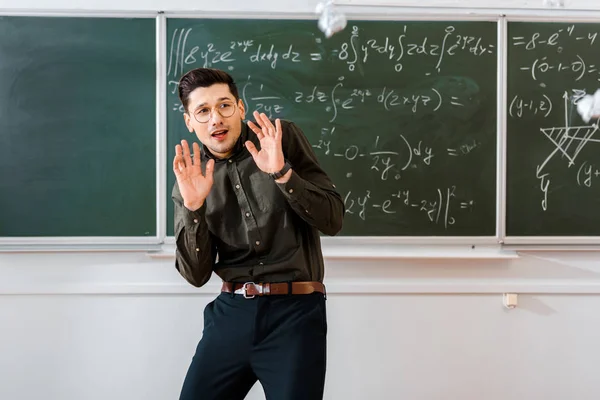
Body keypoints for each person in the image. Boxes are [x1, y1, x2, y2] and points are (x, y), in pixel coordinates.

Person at [171, 67, 345, 400]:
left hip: (295, 315)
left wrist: (282, 173)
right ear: (190, 122)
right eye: (203, 111)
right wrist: (194, 208)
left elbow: (332, 220)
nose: (216, 119)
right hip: (231, 315)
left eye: (224, 106)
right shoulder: (191, 178)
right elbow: (195, 275)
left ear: (240, 107)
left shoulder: (280, 140)